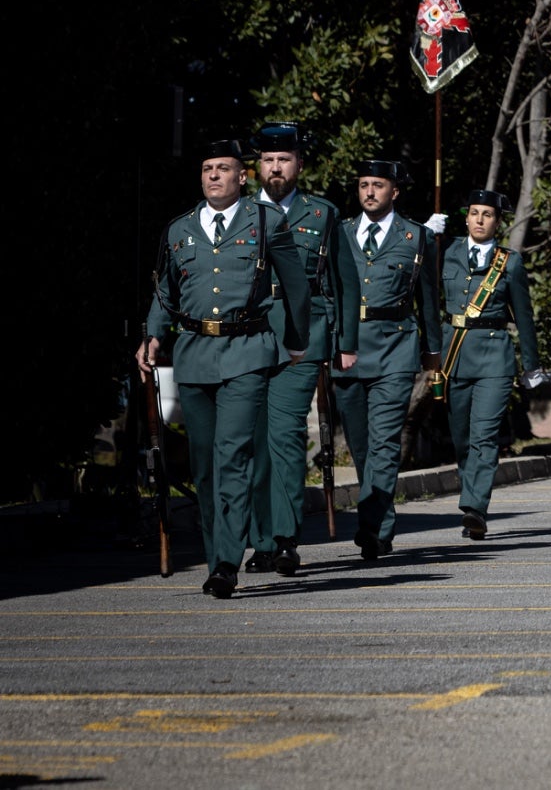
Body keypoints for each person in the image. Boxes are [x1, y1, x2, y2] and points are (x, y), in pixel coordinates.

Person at [136, 139, 311, 598]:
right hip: (194, 354)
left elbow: (295, 287)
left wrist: (295, 341)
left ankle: (226, 564)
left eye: (224, 169)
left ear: (242, 177)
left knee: (233, 456)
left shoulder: (266, 221)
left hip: (247, 352)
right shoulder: (179, 230)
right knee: (206, 468)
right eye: (208, 168)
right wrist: (153, 335)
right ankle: (219, 556)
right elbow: (165, 293)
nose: (214, 176)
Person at [245, 122, 359, 576]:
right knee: (253, 442)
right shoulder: (238, 212)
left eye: (284, 160)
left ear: (299, 165)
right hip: (248, 338)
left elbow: (344, 280)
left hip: (303, 335)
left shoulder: (322, 213)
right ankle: (262, 540)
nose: (276, 167)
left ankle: (287, 537)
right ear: (257, 166)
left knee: (286, 435)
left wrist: (345, 342)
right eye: (269, 160)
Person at [332, 159, 443, 560]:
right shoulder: (339, 232)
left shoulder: (416, 237)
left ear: (394, 191)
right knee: (360, 447)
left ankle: (373, 528)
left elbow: (428, 299)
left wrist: (433, 353)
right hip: (347, 349)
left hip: (396, 347)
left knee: (383, 443)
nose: (369, 192)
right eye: (363, 184)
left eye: (377, 185)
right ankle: (379, 519)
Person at [437, 189, 548, 539]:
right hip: (453, 355)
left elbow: (524, 317)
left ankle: (475, 508)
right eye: (474, 213)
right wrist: (424, 234)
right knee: (462, 439)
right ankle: (473, 498)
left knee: (484, 436)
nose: (479, 220)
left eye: (487, 214)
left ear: (498, 222)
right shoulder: (446, 250)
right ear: (466, 218)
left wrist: (531, 364)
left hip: (494, 358)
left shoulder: (509, 262)